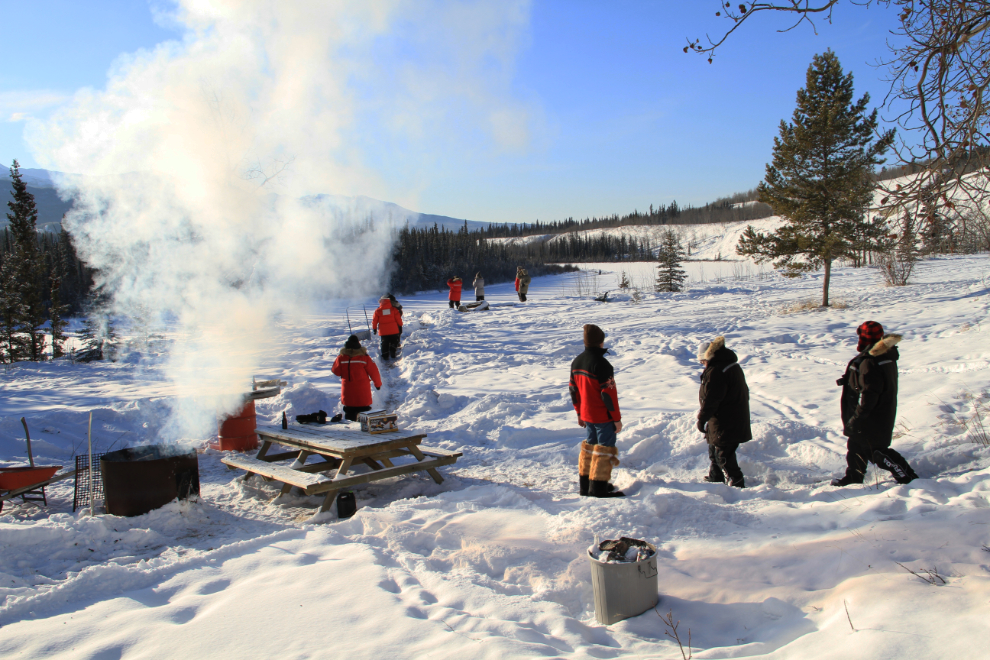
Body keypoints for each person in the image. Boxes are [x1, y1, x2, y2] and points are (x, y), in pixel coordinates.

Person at [832, 321, 918, 486]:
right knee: (856, 445)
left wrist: (858, 417)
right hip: (879, 410)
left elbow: (870, 393)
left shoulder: (871, 360)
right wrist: (849, 379)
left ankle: (908, 477)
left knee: (875, 450)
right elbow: (873, 381)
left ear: (863, 337)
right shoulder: (882, 355)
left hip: (873, 414)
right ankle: (853, 478)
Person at [569, 324, 624, 498]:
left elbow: (573, 390)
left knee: (589, 449)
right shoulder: (602, 364)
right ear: (600, 342)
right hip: (602, 416)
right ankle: (599, 489)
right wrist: (616, 418)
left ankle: (586, 487)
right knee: (604, 450)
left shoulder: (577, 361)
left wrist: (579, 413)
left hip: (586, 415)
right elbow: (609, 394)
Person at [697, 336, 751, 488]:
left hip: (726, 419)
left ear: (708, 358)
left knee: (723, 453)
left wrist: (702, 418)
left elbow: (712, 399)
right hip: (728, 417)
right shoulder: (729, 366)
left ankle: (736, 481)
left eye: (702, 362)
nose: (703, 365)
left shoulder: (717, 371)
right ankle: (716, 476)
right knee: (714, 447)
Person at [330, 335, 382, 421]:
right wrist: (378, 384)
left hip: (348, 392)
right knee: (364, 415)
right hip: (363, 392)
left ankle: (352, 432)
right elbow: (374, 372)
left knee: (349, 415)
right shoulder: (364, 357)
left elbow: (336, 371)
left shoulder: (341, 358)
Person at [372, 294, 403, 360]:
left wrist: (374, 328)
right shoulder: (394, 309)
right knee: (394, 340)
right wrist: (400, 324)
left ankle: (385, 355)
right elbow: (399, 316)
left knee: (384, 342)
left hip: (383, 331)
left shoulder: (378, 311)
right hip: (394, 328)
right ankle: (393, 349)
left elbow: (374, 321)